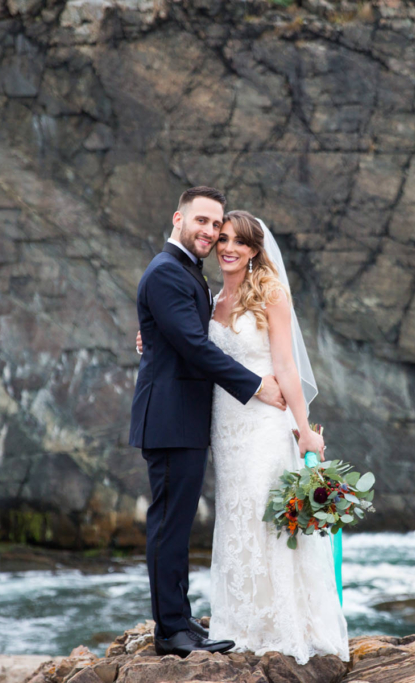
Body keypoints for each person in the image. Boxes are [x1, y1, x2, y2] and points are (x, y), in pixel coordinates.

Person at [138, 210, 349, 664]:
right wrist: (148, 335)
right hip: (224, 424)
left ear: (255, 249)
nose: (228, 247)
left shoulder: (270, 292)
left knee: (264, 513)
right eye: (222, 240)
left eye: (238, 241)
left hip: (264, 422)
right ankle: (239, 622)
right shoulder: (210, 297)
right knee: (236, 517)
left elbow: (286, 366)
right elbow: (187, 339)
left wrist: (305, 427)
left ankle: (282, 623)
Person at [128, 187, 288, 658]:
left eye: (215, 224)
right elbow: (196, 348)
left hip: (185, 419)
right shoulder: (166, 273)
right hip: (171, 419)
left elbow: (185, 334)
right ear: (179, 218)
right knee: (168, 528)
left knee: (176, 526)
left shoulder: (184, 272)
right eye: (202, 221)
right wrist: (257, 385)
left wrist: (150, 336)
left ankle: (181, 621)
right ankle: (170, 630)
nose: (210, 231)